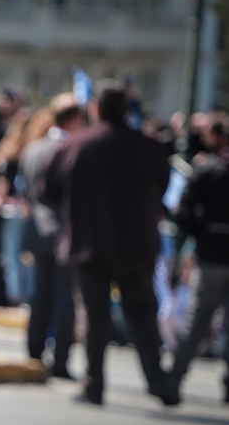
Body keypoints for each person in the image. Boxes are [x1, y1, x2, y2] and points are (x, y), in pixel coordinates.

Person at [41, 79, 179, 406]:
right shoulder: (148, 145)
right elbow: (162, 186)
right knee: (142, 313)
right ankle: (159, 382)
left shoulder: (76, 145)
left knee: (94, 315)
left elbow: (49, 190)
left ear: (96, 108)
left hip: (89, 243)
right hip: (136, 243)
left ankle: (94, 384)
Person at [18, 94, 85, 378]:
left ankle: (33, 353)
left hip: (36, 229)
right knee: (64, 299)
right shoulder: (72, 149)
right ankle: (59, 360)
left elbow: (25, 190)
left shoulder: (32, 148)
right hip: (65, 232)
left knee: (40, 295)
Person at [169, 117, 229, 403]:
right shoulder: (208, 168)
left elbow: (183, 211)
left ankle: (175, 377)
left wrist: (200, 234)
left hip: (211, 255)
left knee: (197, 320)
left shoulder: (207, 169)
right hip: (212, 251)